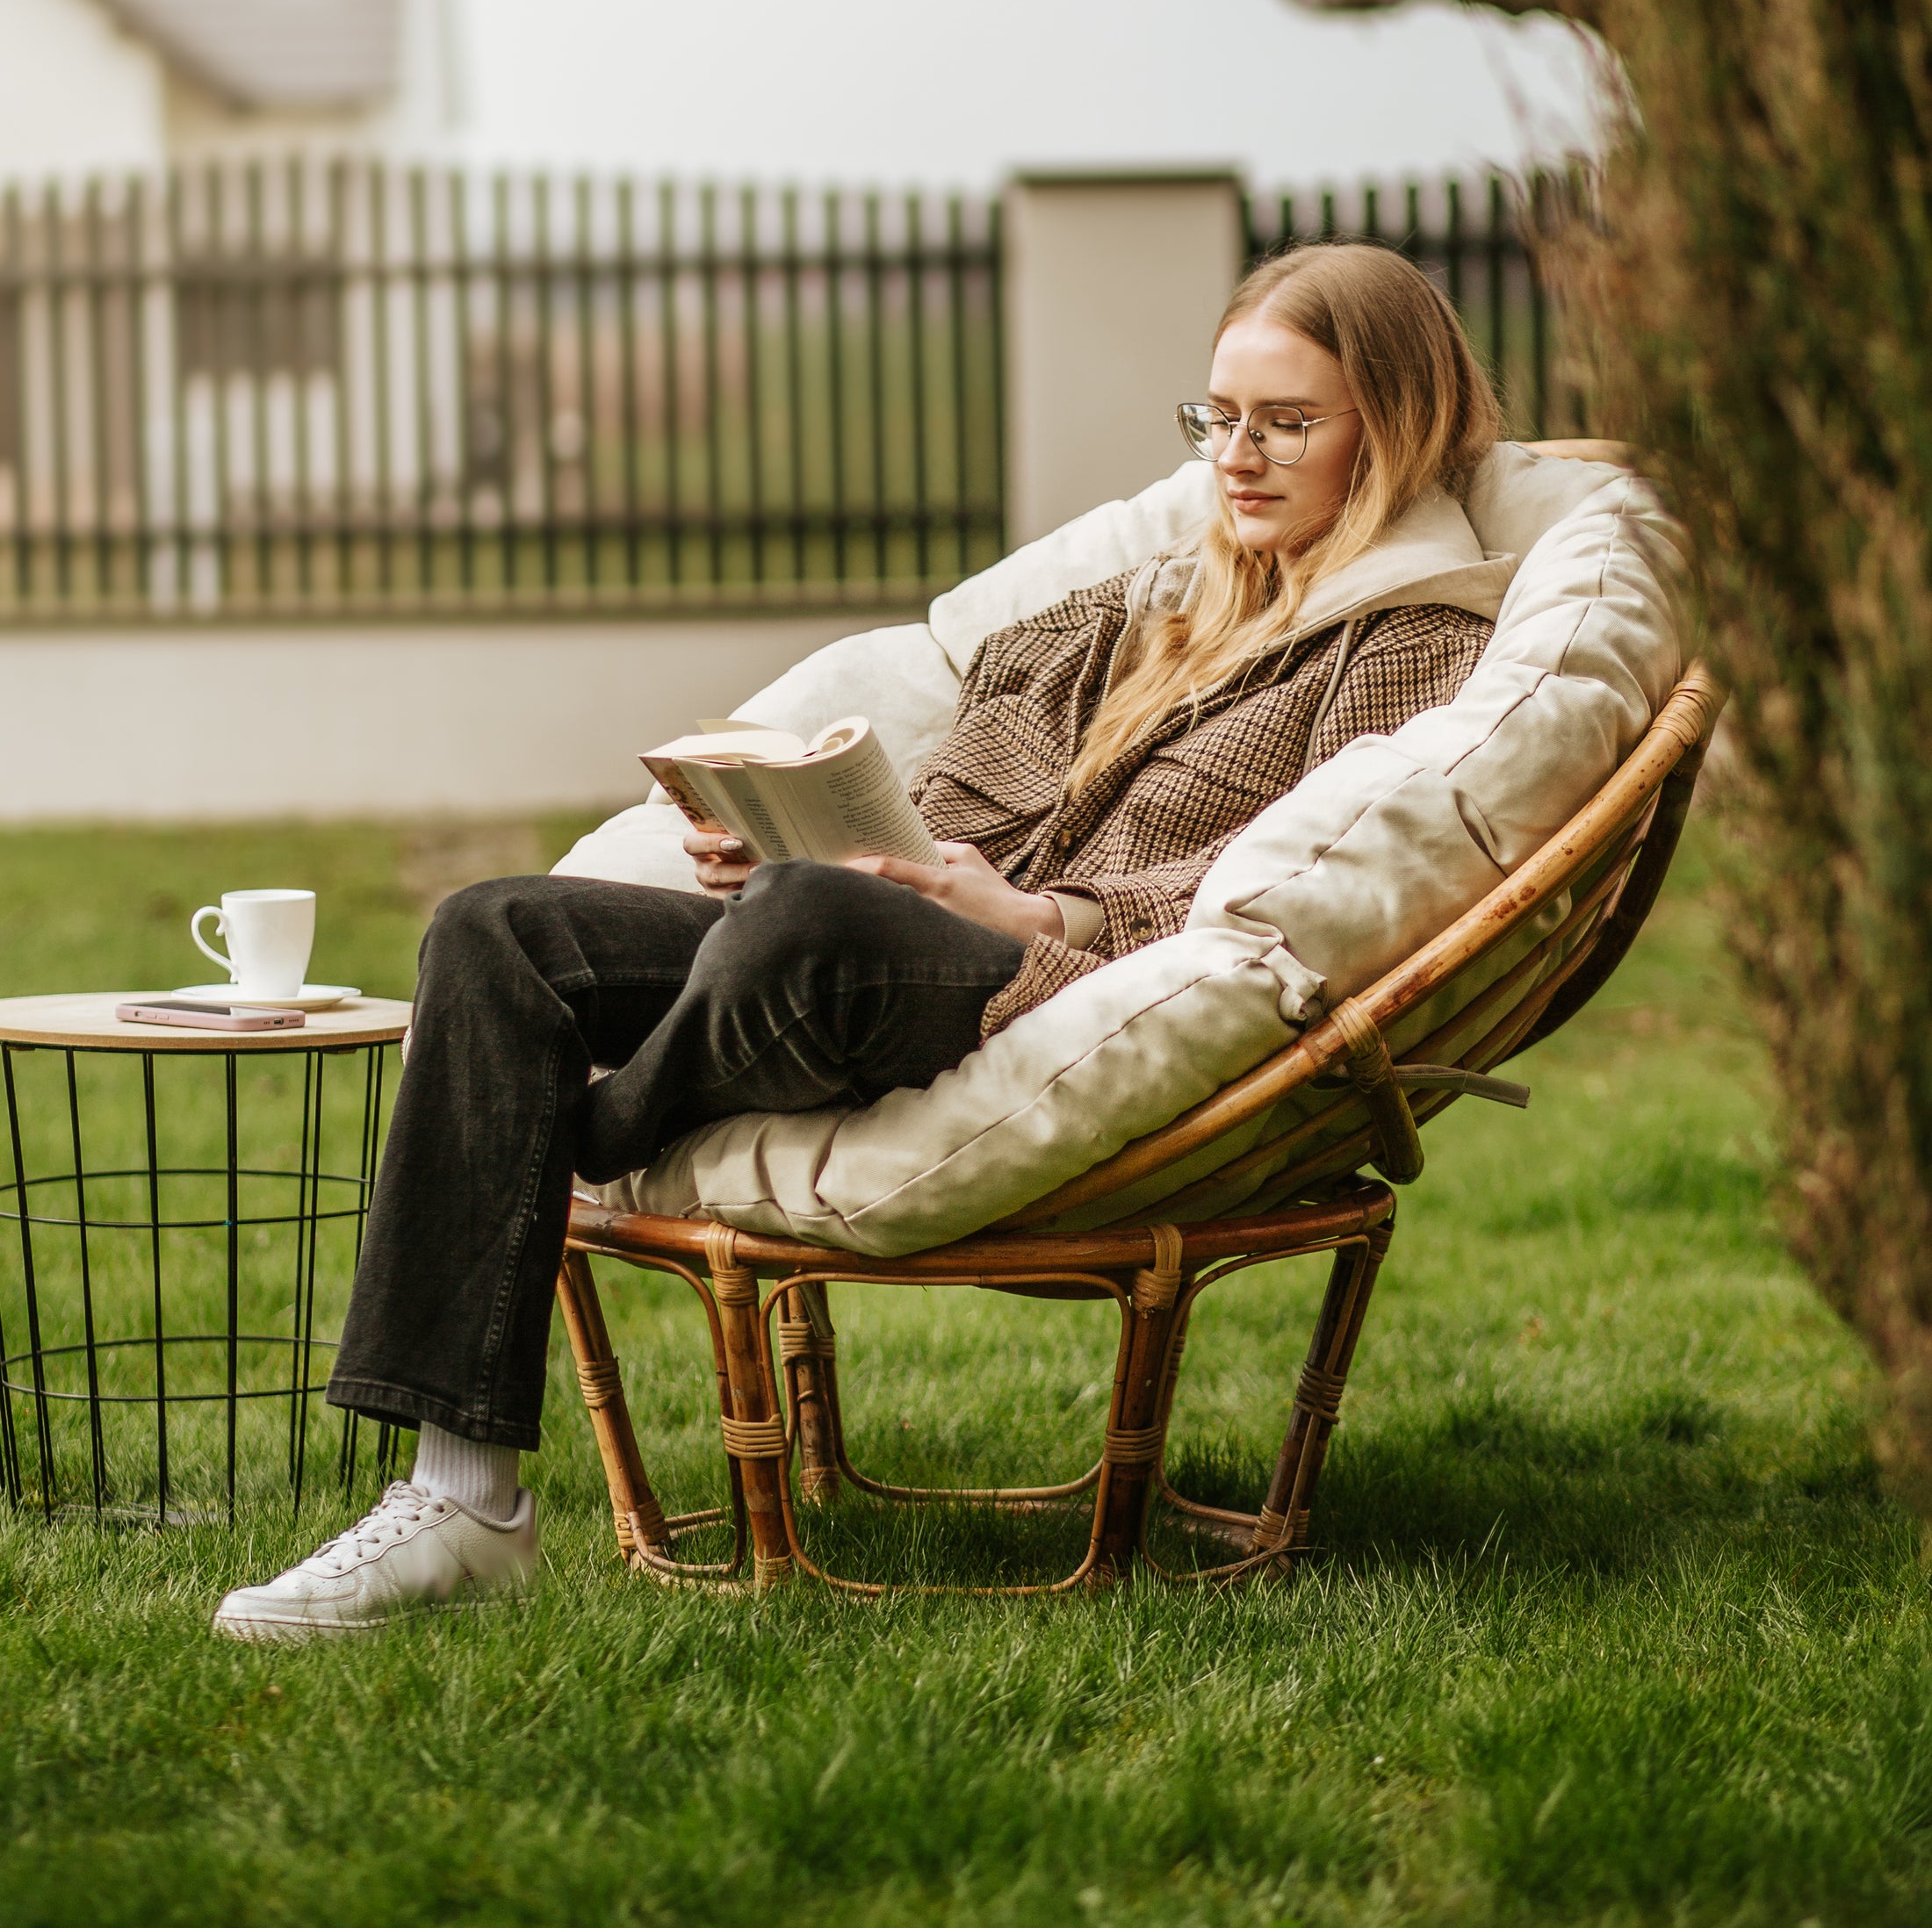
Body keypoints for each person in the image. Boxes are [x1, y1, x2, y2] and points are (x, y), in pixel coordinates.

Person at [213, 241, 1501, 1639]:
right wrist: (785, 827)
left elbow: (1294, 876)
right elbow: (970, 762)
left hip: (1035, 977)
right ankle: (463, 1498)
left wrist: (1027, 911)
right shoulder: (1159, 592)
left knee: (807, 918)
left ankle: (574, 1131)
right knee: (495, 928)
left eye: (1286, 423)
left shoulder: (1409, 641)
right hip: (874, 921)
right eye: (1217, 419)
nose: (1236, 459)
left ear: (1398, 422)